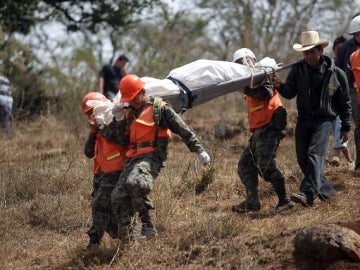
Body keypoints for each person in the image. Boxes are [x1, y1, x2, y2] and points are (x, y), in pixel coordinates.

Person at [110, 74, 211, 242]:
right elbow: (121, 140)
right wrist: (119, 120)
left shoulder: (160, 109)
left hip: (152, 156)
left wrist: (199, 150)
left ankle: (148, 226)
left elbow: (183, 130)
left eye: (134, 98)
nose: (132, 102)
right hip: (132, 159)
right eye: (129, 99)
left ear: (142, 92)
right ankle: (129, 238)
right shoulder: (127, 113)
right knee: (117, 197)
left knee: (136, 183)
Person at [273, 30, 352, 207]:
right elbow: (290, 92)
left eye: (312, 52)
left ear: (320, 51)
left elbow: (344, 102)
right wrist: (279, 86)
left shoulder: (336, 73)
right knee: (303, 159)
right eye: (305, 52)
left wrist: (345, 127)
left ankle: (307, 193)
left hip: (325, 119)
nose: (308, 56)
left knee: (314, 154)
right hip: (304, 118)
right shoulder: (297, 69)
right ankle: (327, 192)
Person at [81, 92, 154, 250]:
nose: (91, 116)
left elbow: (119, 138)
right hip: (101, 175)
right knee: (112, 220)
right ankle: (129, 237)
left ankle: (93, 244)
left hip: (116, 172)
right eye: (88, 114)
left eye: (92, 112)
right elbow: (88, 153)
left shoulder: (115, 120)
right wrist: (93, 133)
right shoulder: (97, 128)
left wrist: (100, 127)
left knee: (100, 205)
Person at [230, 48, 294, 214]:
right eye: (237, 64)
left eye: (242, 62)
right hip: (259, 130)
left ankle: (285, 200)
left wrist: (244, 88)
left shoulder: (262, 74)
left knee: (266, 167)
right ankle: (252, 200)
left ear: (251, 60)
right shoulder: (249, 81)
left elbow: (266, 93)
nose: (240, 66)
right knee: (245, 165)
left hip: (270, 127)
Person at [335, 14, 360, 172]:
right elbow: (339, 73)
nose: (359, 37)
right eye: (357, 35)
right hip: (354, 93)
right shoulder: (346, 50)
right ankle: (359, 164)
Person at [330, 36, 353, 167]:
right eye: (339, 48)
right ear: (334, 50)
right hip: (331, 103)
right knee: (337, 131)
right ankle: (350, 161)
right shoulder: (329, 65)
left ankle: (336, 156)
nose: (341, 50)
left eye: (344, 48)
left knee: (340, 127)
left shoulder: (351, 64)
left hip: (345, 103)